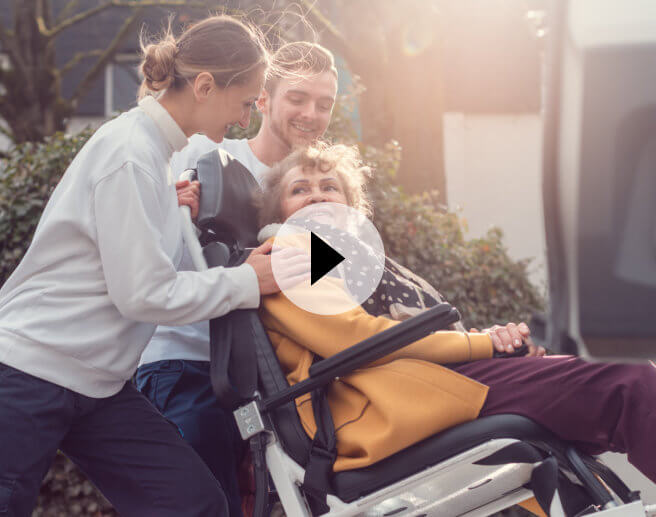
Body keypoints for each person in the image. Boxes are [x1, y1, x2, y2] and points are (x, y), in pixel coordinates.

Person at [0, 15, 308, 517]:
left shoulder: (157, 158)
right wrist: (248, 281)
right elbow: (143, 295)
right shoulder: (130, 154)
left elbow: (152, 268)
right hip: (28, 372)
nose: (246, 118)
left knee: (193, 503)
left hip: (98, 386)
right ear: (206, 86)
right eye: (247, 101)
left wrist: (240, 264)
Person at [254, 142, 656, 482]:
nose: (318, 196)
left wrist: (496, 343)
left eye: (329, 187)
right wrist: (484, 345)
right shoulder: (290, 253)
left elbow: (424, 330)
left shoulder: (357, 261)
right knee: (627, 379)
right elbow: (356, 339)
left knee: (615, 380)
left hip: (422, 383)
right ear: (278, 213)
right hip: (385, 403)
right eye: (300, 190)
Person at [136, 42, 338, 515]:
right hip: (190, 365)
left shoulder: (320, 187)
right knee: (207, 502)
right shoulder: (207, 152)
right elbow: (149, 253)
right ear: (262, 100)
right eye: (298, 98)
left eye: (324, 104)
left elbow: (335, 282)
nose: (312, 114)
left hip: (275, 383)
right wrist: (172, 209)